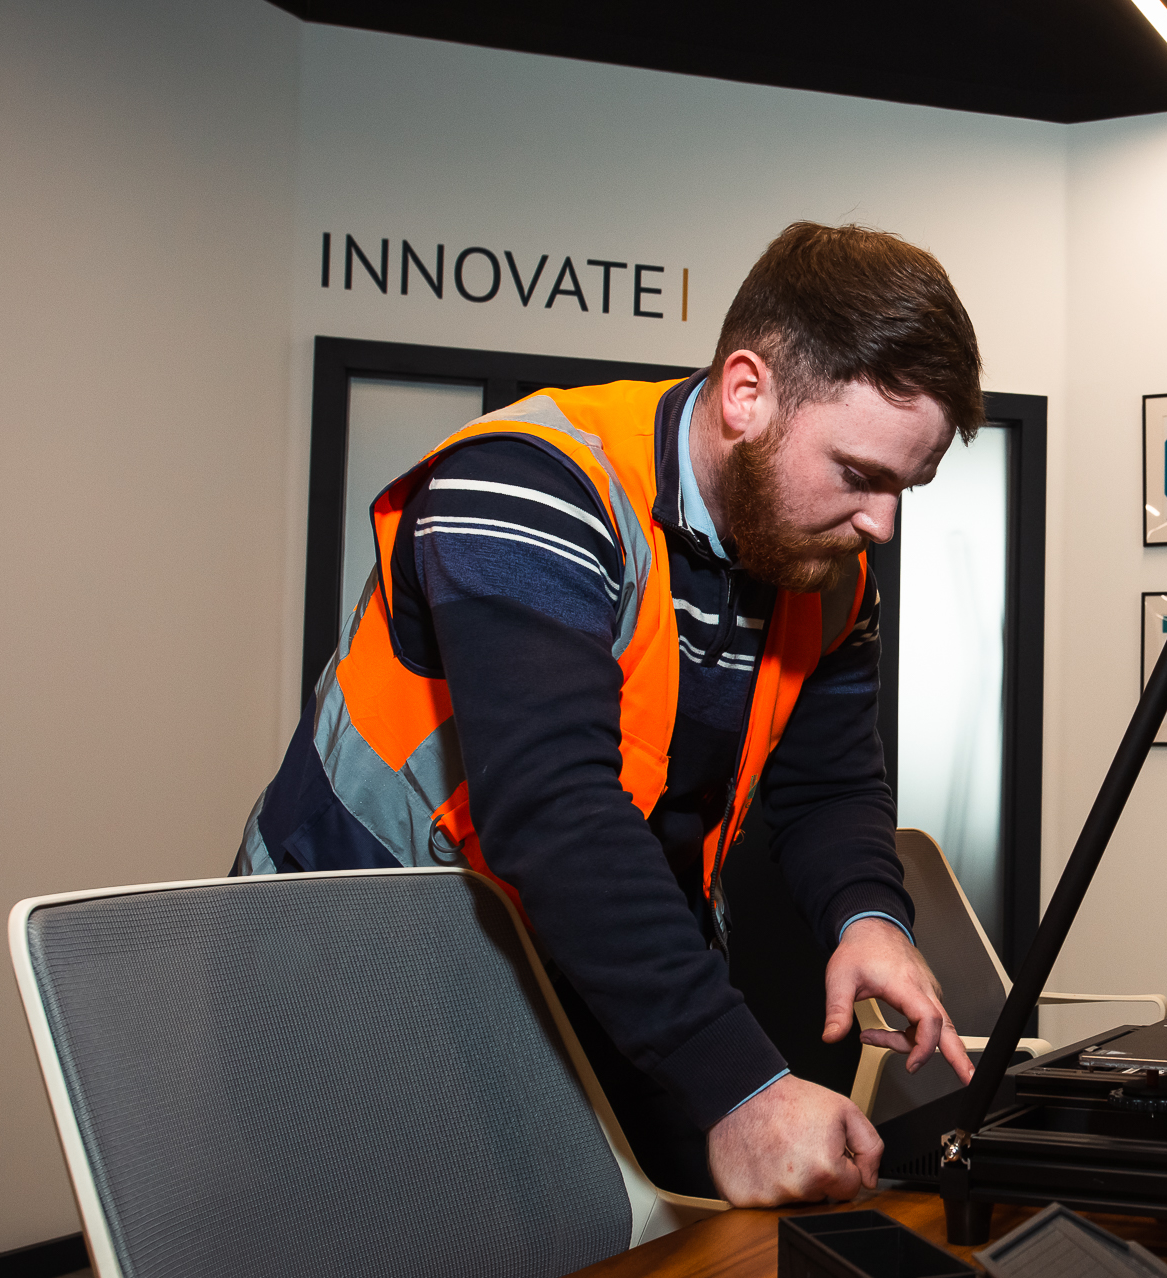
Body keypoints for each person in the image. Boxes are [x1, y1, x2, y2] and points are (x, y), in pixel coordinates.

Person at [233, 222, 984, 1205]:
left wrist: (870, 918)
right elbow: (555, 808)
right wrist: (745, 1088)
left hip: (576, 953)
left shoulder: (827, 567)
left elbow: (829, 784)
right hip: (353, 960)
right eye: (860, 474)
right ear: (748, 392)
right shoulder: (527, 485)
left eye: (908, 487)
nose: (882, 524)